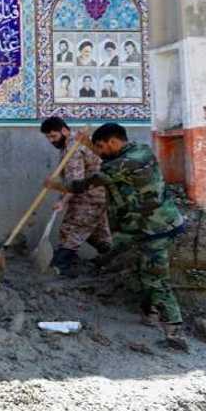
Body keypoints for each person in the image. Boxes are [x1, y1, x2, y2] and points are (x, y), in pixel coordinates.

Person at [44, 123, 187, 349]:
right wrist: (88, 144)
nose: (98, 151)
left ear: (113, 142)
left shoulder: (126, 163)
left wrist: (57, 185)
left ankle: (175, 334)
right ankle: (149, 313)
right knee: (143, 269)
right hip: (144, 227)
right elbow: (105, 160)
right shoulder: (138, 150)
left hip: (156, 228)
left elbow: (86, 183)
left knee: (157, 279)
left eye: (100, 146)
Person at [39, 117, 112, 276]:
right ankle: (113, 258)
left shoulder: (74, 148)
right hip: (98, 195)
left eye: (53, 136)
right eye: (48, 137)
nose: (51, 141)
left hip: (89, 197)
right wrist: (61, 200)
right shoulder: (68, 147)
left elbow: (76, 182)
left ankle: (59, 268)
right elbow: (70, 181)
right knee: (97, 233)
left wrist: (63, 202)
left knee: (71, 229)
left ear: (64, 131)